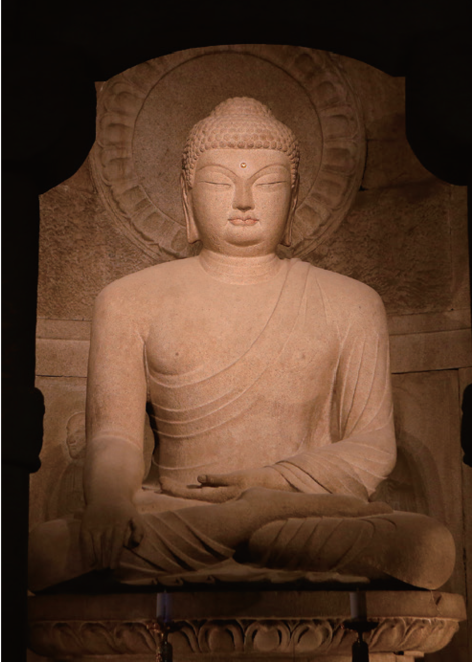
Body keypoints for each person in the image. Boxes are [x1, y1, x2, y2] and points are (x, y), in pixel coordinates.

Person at [29, 97, 454, 592]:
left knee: (425, 545)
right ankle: (252, 530)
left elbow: (373, 446)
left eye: (268, 183)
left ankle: (254, 526)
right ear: (187, 195)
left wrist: (272, 484)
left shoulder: (351, 302)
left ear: (293, 198)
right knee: (42, 552)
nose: (245, 201)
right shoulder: (128, 299)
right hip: (178, 508)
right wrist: (109, 503)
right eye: (219, 182)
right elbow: (115, 437)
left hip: (305, 513)